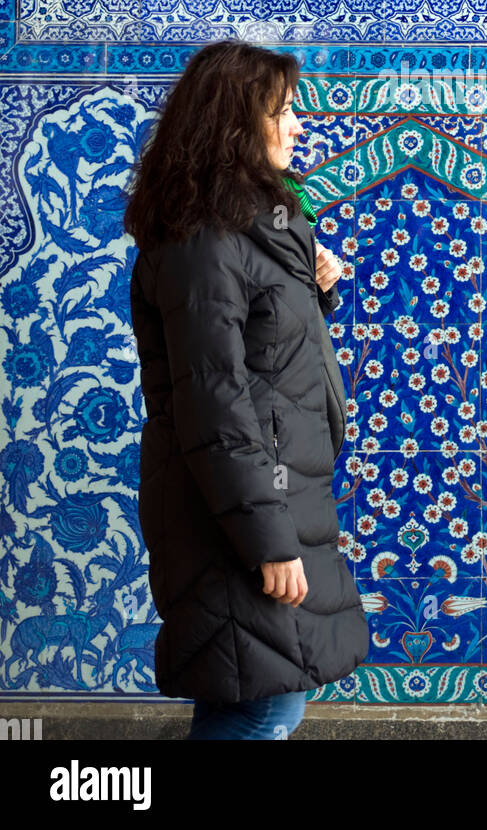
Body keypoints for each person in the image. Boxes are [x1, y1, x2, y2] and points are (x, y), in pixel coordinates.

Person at [124, 39, 369, 740]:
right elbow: (213, 403)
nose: (298, 125)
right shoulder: (204, 240)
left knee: (263, 698)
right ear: (235, 124)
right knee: (257, 706)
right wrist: (267, 540)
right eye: (283, 111)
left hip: (269, 503)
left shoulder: (248, 228)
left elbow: (259, 358)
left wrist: (310, 290)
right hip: (236, 520)